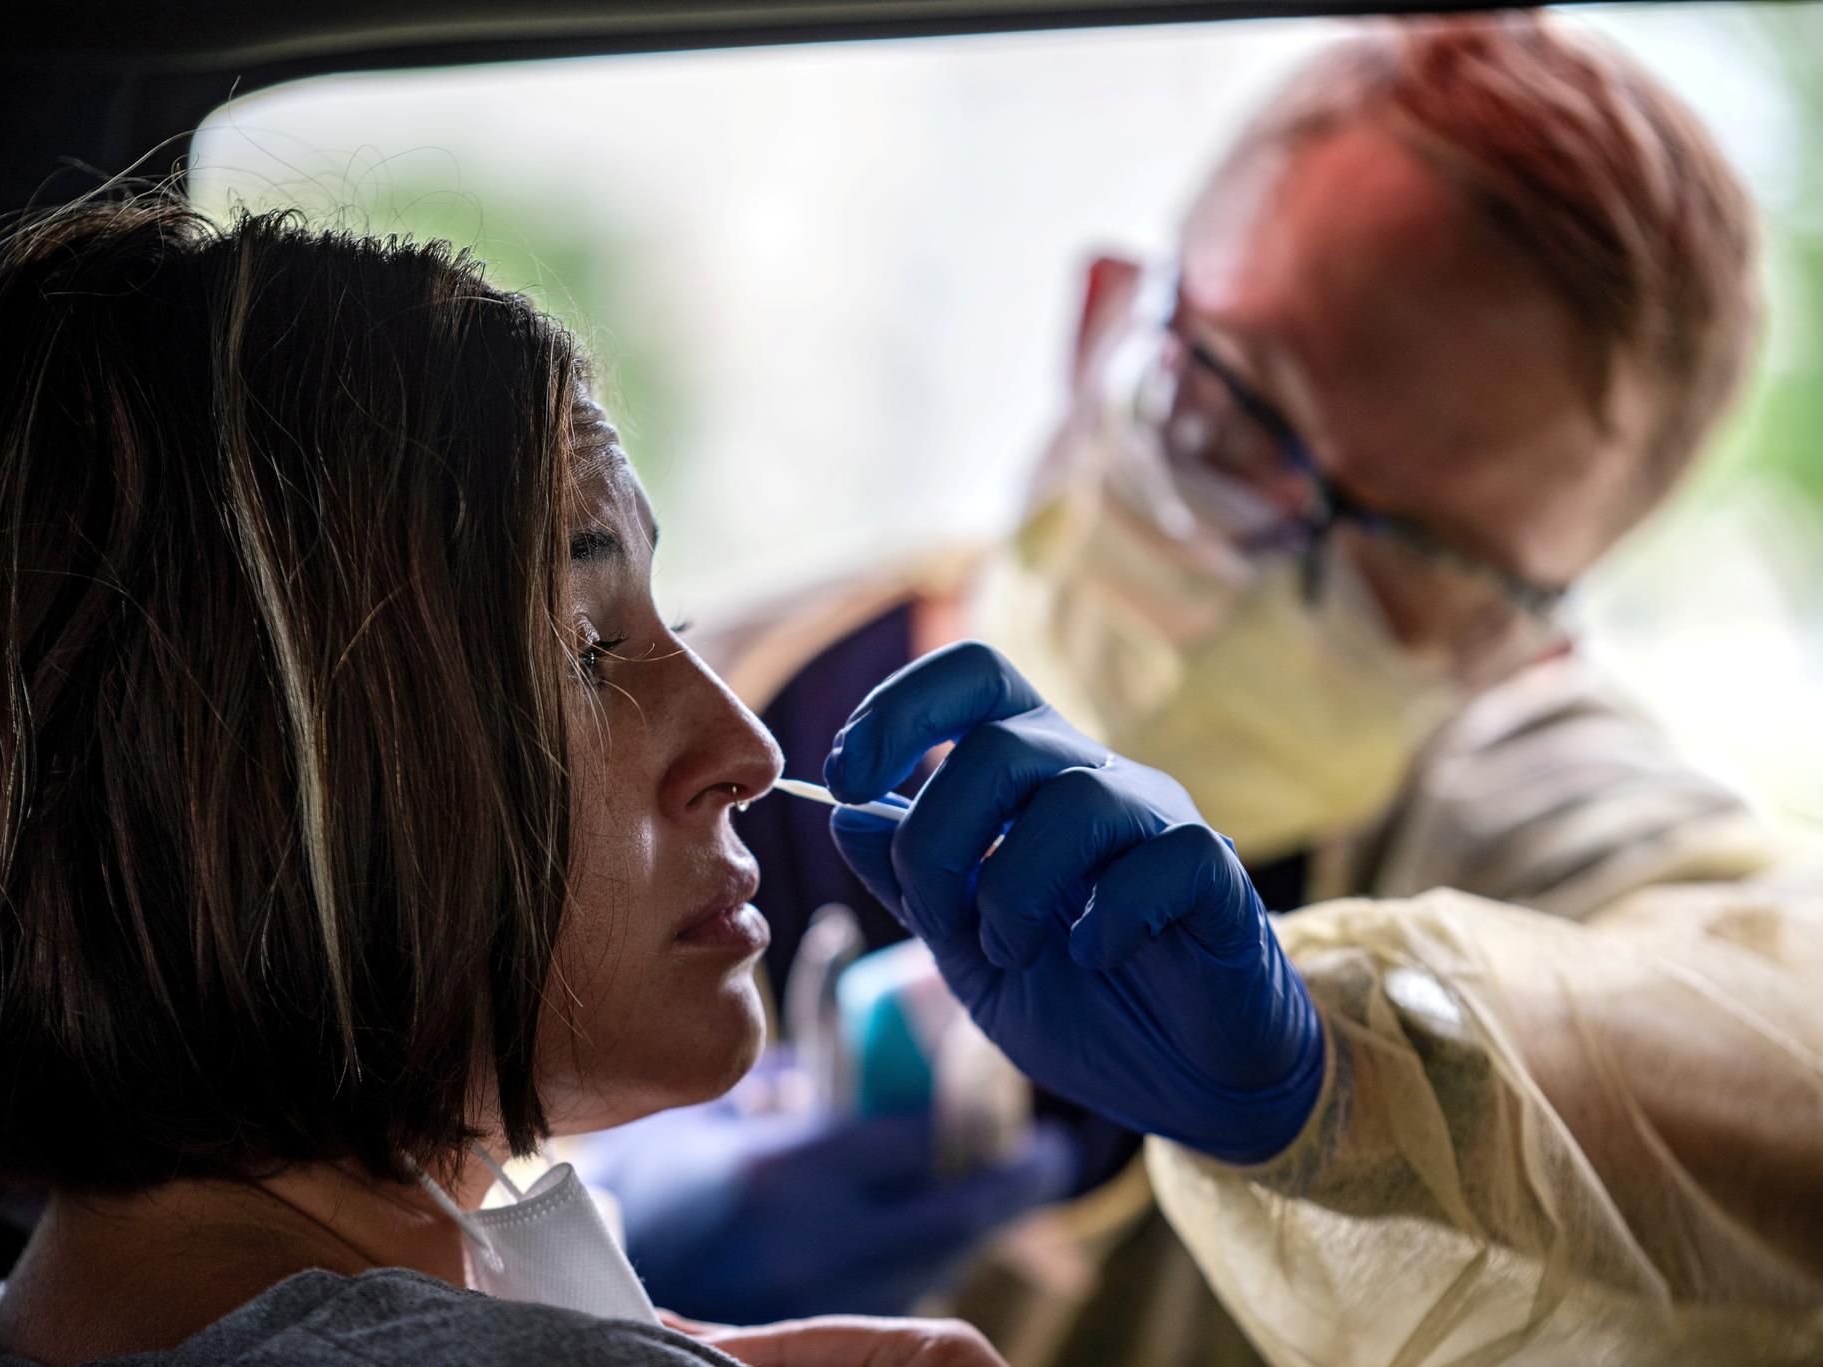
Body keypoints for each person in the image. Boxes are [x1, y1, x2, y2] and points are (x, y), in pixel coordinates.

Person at [603, 10, 1805, 1356]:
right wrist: (557, 1252)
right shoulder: (696, 697)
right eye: (1231, 412)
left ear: (1531, 648)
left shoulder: (1516, 811)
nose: (1270, 563)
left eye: (1424, 559)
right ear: (1103, 321)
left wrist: (1354, 1076)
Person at [0, 196, 1003, 1367]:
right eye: (582, 646)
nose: (746, 751)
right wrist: (1206, 1124)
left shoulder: (51, 1314)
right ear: (254, 789)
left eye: (661, 615)